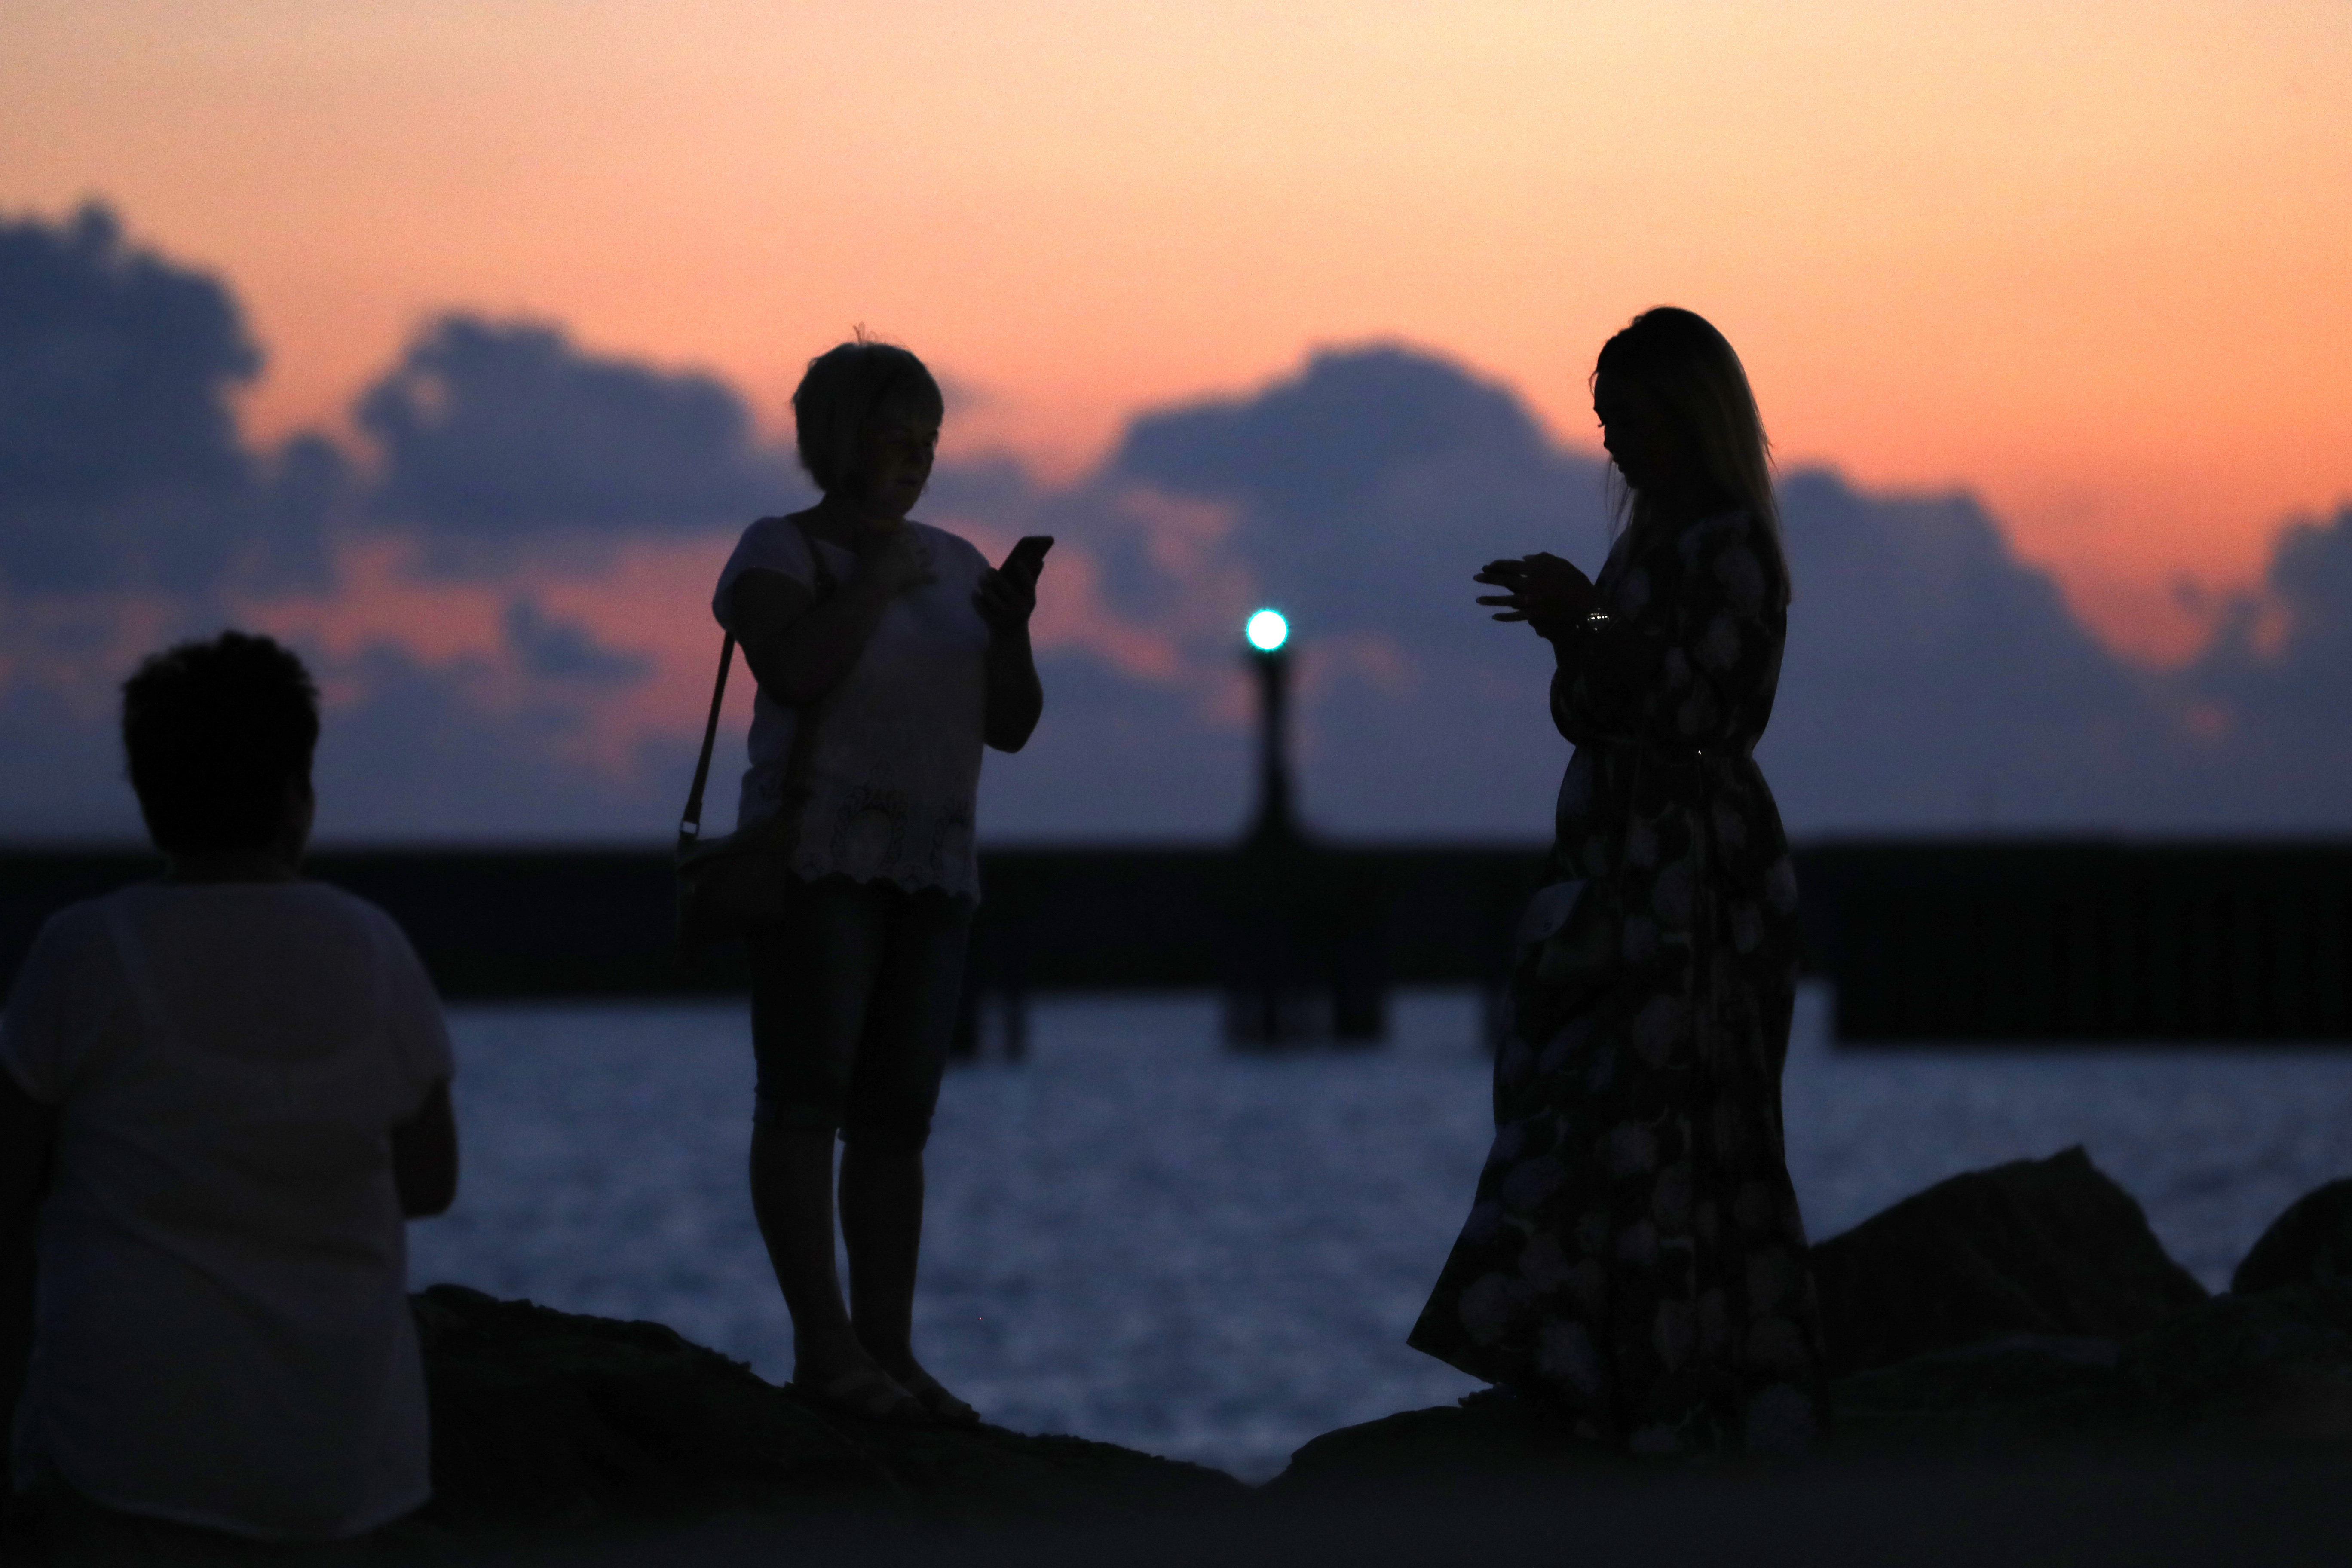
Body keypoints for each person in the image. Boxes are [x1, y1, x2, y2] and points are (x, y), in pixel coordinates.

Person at [1408, 307, 1826, 1454]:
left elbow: (1708, 711)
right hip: (1612, 877)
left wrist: (1588, 617)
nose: (1611, 445)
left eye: (1626, 419)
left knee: (1684, 1129)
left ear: (1686, 416)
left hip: (1693, 884)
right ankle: (1586, 1368)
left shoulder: (1730, 544)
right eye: (1603, 422)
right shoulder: (1647, 547)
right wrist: (1572, 631)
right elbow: (1595, 709)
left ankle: (1683, 1388)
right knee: (1570, 1106)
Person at [0, 631, 459, 1560]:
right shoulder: (376, 947)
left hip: (126, 1456)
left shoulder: (83, 952)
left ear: (151, 798)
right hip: (346, 1466)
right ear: (297, 797)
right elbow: (429, 1181)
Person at [713, 339, 1044, 1427]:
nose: (917, 457)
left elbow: (1012, 728)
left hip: (933, 865)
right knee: (806, 1099)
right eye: (895, 435)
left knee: (898, 1119)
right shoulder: (778, 551)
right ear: (837, 442)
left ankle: (889, 1352)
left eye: (929, 437)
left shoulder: (957, 562)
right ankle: (825, 1346)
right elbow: (796, 670)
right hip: (818, 861)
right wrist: (876, 584)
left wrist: (1013, 636)